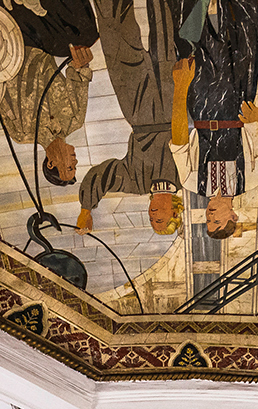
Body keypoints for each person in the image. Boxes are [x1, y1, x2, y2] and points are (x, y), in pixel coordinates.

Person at [77, 0, 185, 236]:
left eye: (151, 221)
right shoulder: (186, 175)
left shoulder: (135, 183)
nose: (152, 216)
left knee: (115, 36)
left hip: (138, 108)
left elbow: (101, 177)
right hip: (172, 100)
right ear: (175, 213)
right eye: (159, 220)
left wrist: (86, 209)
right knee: (163, 19)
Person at [174, 0, 258, 239]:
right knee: (244, 31)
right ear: (233, 216)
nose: (210, 215)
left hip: (202, 101)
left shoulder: (191, 182)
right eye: (216, 220)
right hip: (239, 97)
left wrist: (180, 88)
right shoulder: (250, 180)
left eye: (207, 219)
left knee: (191, 35)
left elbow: (178, 141)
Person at [0, 45, 90, 186]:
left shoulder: (20, 134)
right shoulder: (75, 120)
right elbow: (79, 75)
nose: (75, 161)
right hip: (42, 45)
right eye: (75, 166)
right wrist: (81, 63)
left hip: (5, 57)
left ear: (51, 163)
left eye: (70, 166)